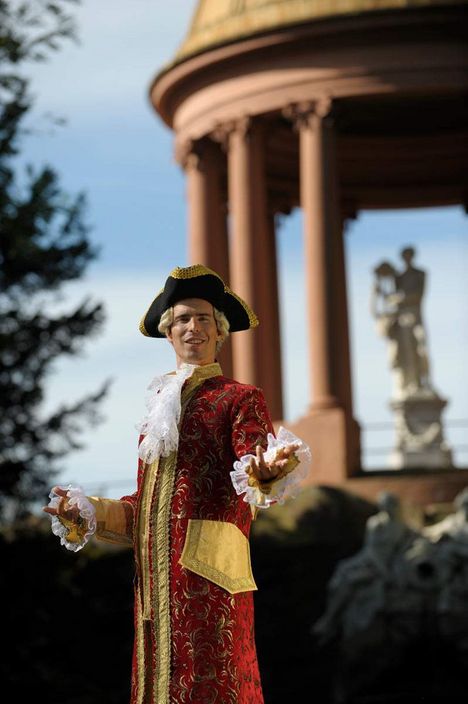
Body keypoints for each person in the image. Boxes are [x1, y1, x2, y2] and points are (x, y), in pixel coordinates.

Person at [43, 264, 310, 704]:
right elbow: (143, 508)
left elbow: (256, 463)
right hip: (153, 592)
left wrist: (269, 470)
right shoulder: (156, 416)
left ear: (219, 331)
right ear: (169, 333)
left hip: (211, 584)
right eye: (183, 319)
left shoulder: (240, 398)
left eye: (204, 318)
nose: (193, 327)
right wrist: (86, 511)